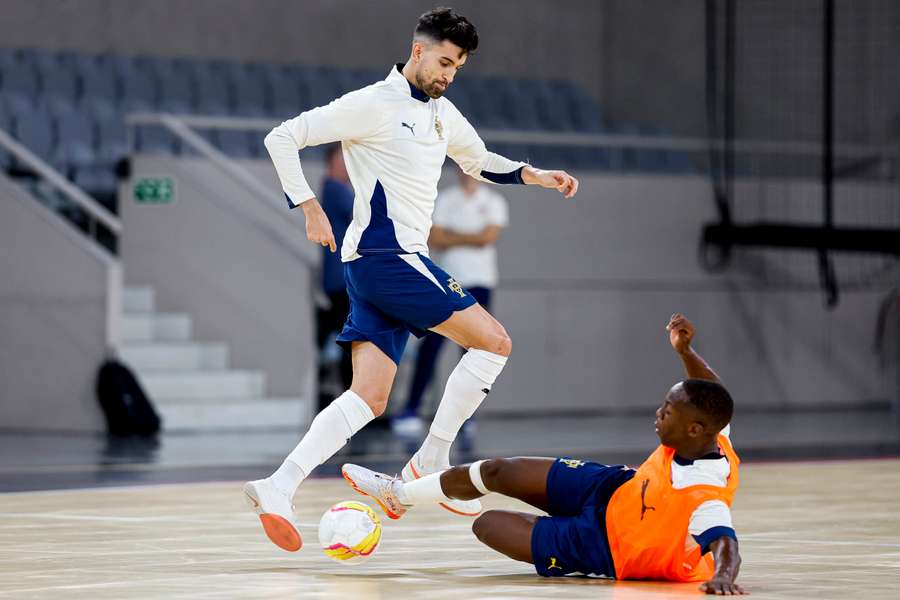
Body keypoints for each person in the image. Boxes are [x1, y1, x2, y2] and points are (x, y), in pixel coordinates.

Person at [245, 7, 579, 552]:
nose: (449, 73)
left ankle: (277, 486)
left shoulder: (443, 114)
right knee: (495, 343)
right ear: (417, 49)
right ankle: (431, 458)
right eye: (444, 61)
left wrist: (532, 175)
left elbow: (476, 161)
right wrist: (308, 205)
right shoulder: (374, 104)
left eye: (459, 66)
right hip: (388, 258)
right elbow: (283, 137)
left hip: (375, 267)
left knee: (369, 398)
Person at [342, 314, 747, 595]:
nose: (659, 414)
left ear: (695, 429)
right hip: (613, 487)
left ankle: (552, 532)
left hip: (606, 547)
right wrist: (685, 351)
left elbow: (724, 542)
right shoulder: (713, 434)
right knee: (501, 470)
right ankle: (399, 495)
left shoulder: (704, 492)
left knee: (486, 525)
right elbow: (714, 393)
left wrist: (725, 577)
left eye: (668, 412)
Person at [393, 168, 509, 435]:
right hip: (446, 282)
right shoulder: (444, 199)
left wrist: (454, 236)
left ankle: (464, 416)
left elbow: (487, 238)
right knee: (430, 347)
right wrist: (471, 236)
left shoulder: (494, 201)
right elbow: (436, 237)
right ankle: (412, 407)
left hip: (480, 282)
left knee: (474, 352)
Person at [315, 144, 354, 410]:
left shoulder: (335, 190)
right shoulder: (334, 189)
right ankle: (351, 398)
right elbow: (365, 216)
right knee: (350, 341)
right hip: (342, 279)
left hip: (342, 279)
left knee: (346, 337)